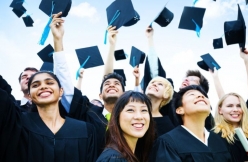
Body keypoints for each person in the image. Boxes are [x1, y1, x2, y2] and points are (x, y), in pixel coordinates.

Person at [50, 12, 125, 156]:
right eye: (107, 84)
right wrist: (58, 41)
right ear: (100, 95)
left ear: (124, 94)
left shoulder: (130, 117)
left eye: (117, 84)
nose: (111, 85)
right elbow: (66, 87)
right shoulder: (88, 114)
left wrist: (112, 45)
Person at [0, 72, 97, 162]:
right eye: (35, 85)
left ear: (61, 91)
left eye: (49, 83)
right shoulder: (18, 123)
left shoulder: (85, 130)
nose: (43, 87)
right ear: (29, 96)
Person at [149, 85, 232, 161]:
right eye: (192, 94)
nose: (201, 96)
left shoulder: (219, 141)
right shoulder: (168, 142)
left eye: (204, 96)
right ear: (179, 110)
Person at [211, 49, 248, 161]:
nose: (235, 109)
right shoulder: (216, 136)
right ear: (220, 110)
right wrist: (215, 77)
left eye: (239, 106)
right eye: (230, 106)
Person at [96, 91, 155, 162]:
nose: (139, 117)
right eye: (130, 110)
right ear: (117, 117)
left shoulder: (136, 153)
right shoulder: (114, 159)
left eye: (144, 110)